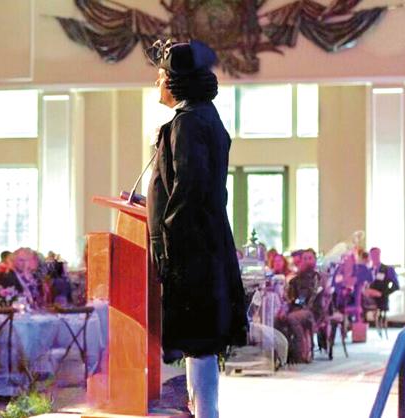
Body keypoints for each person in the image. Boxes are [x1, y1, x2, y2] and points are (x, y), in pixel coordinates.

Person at [145, 39, 247, 417]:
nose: (157, 85)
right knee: (199, 343)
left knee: (199, 341)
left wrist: (168, 244)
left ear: (175, 83)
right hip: (199, 243)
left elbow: (188, 191)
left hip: (191, 250)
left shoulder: (188, 124)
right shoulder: (203, 117)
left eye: (160, 77)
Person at [367, 247, 400, 334]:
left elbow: (396, 286)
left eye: (376, 255)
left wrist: (382, 293)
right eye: (372, 255)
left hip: (380, 299)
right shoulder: (368, 270)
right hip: (367, 298)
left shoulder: (387, 269)